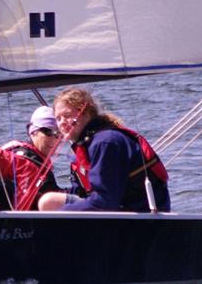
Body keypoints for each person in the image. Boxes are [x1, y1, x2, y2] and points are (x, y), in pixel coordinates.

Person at [38, 87, 170, 212]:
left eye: (67, 115)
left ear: (86, 114)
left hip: (139, 216)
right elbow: (81, 192)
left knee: (52, 210)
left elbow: (105, 202)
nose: (62, 122)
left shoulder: (106, 143)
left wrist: (60, 214)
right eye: (58, 118)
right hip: (114, 209)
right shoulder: (84, 145)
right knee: (48, 201)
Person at [0, 106, 62, 210]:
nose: (54, 139)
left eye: (58, 134)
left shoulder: (19, 150)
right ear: (33, 132)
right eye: (48, 132)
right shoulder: (31, 161)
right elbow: (52, 197)